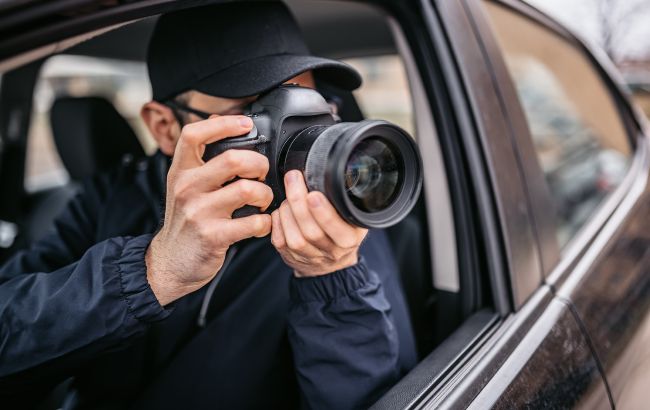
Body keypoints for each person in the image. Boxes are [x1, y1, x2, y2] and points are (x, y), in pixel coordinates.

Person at [0, 2, 416, 409]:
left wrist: (330, 277)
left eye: (310, 103)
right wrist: (153, 272)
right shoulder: (109, 198)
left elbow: (380, 398)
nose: (293, 130)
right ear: (165, 126)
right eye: (256, 113)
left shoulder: (335, 226)